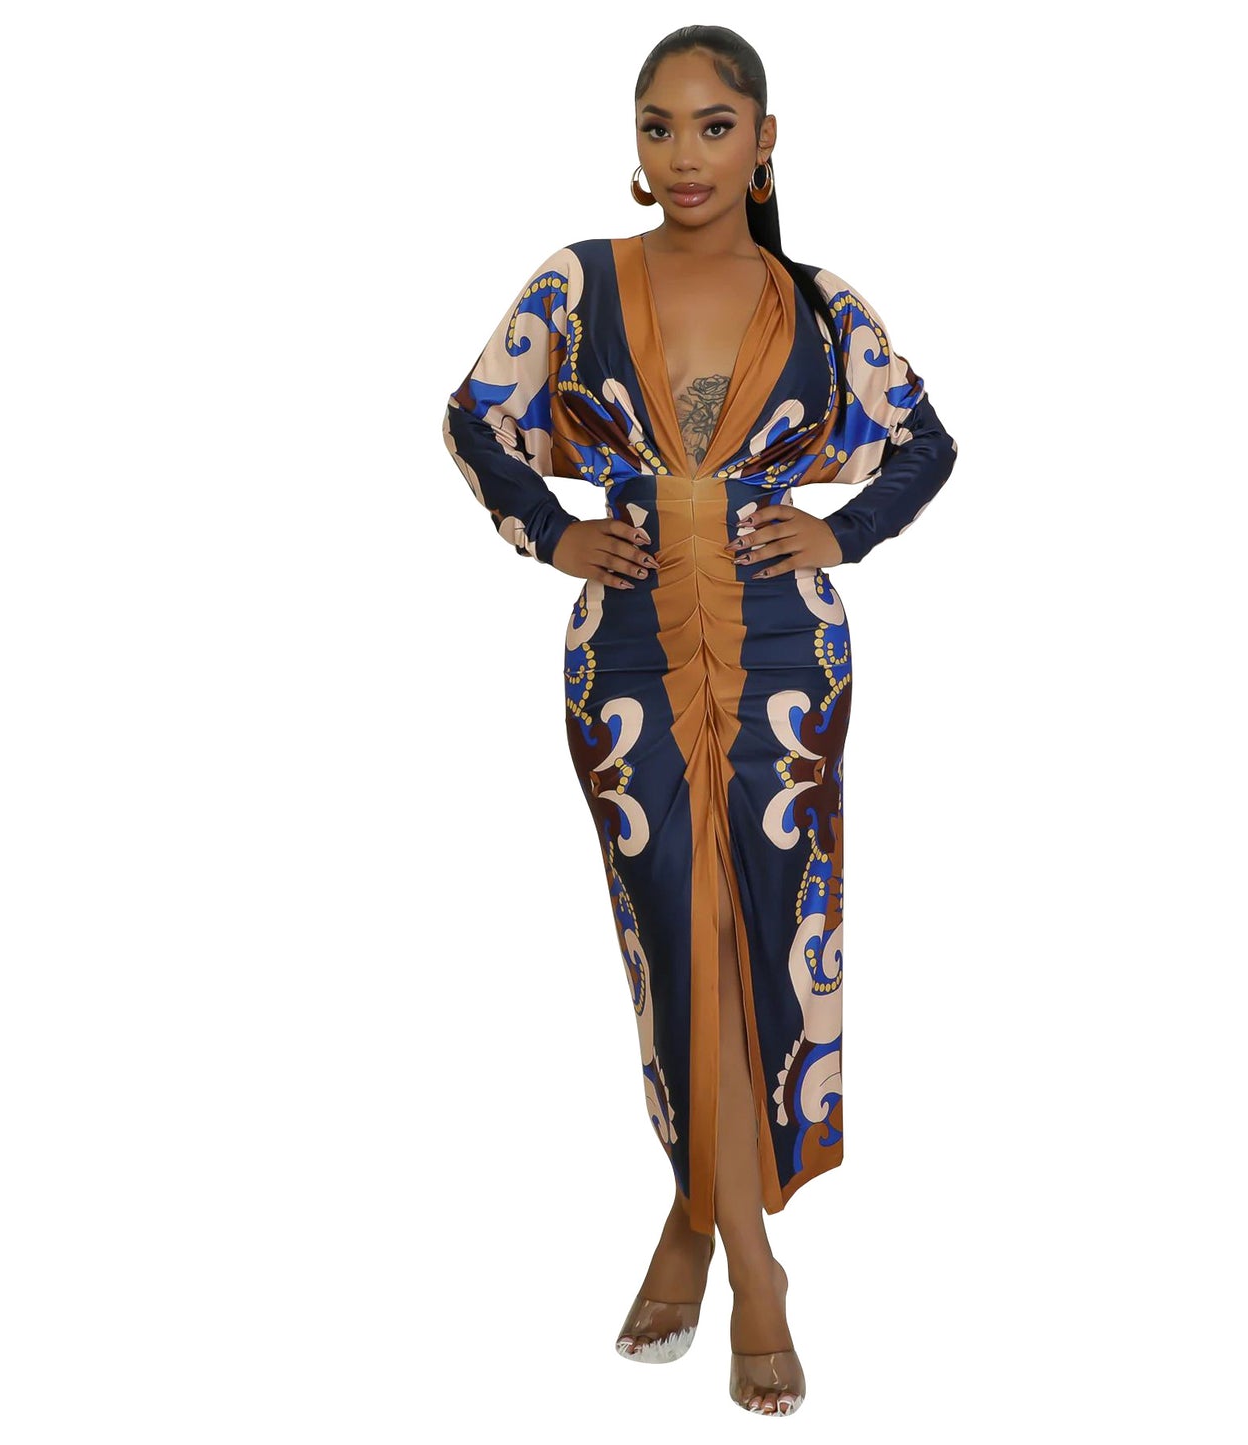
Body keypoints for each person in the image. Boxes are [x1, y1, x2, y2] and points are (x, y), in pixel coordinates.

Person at [440, 24, 956, 1417]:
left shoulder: (821, 303)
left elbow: (927, 445)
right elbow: (474, 417)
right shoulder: (578, 281)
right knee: (676, 932)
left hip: (788, 654)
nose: (685, 155)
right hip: (623, 654)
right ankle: (753, 1268)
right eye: (658, 126)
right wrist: (551, 532)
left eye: (715, 126)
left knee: (760, 924)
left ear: (765, 140)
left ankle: (696, 1232)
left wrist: (839, 534)